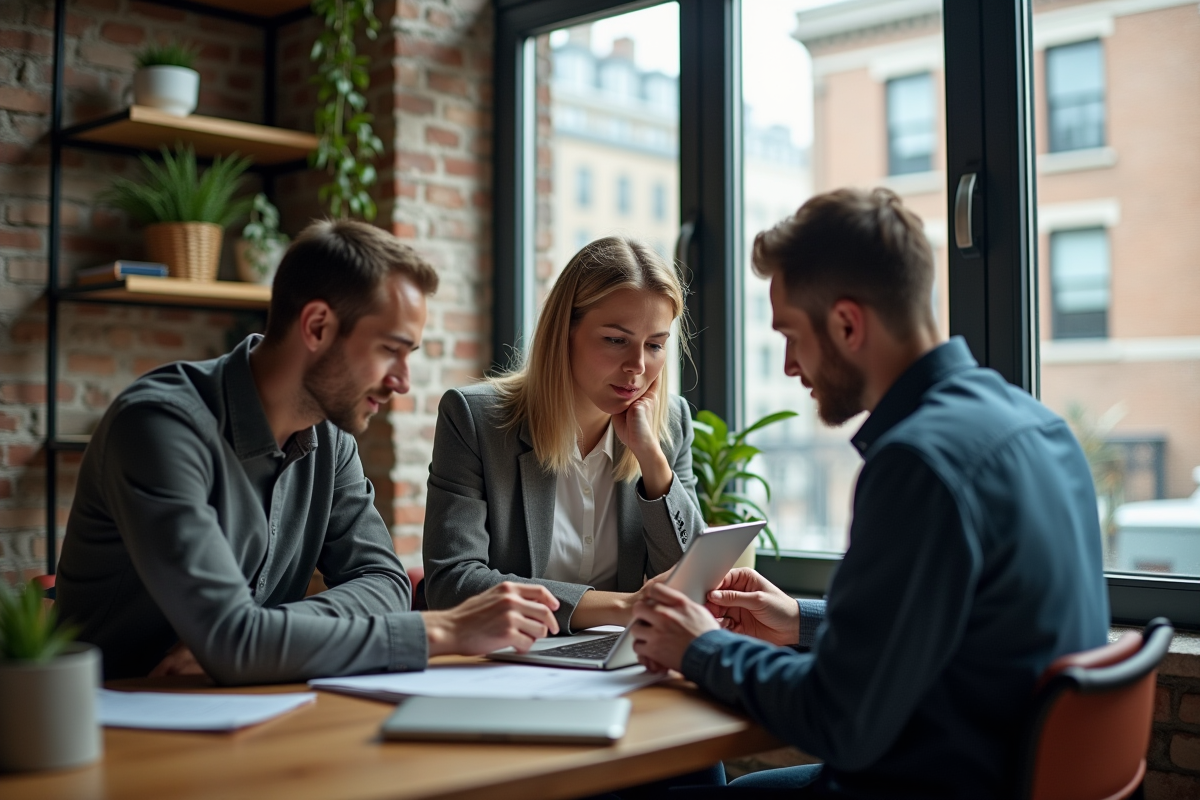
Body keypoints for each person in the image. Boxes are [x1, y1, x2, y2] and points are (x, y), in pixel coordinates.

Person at [628, 188, 1109, 798]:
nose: (787, 366)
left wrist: (703, 647)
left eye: (791, 335)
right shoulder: (1039, 426)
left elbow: (839, 720)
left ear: (848, 323)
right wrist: (801, 622)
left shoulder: (917, 464)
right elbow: (958, 632)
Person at [57, 219, 560, 685]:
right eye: (391, 349)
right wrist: (446, 631)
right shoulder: (158, 427)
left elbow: (384, 582)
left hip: (249, 707)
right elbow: (235, 643)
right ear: (317, 327)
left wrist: (258, 637)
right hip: (110, 721)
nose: (402, 382)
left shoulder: (331, 436)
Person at [422, 236, 707, 634]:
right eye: (615, 340)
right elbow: (453, 584)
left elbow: (689, 583)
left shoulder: (670, 423)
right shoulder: (476, 420)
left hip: (615, 666)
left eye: (655, 345)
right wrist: (621, 607)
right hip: (506, 662)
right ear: (564, 332)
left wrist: (652, 461)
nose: (637, 366)